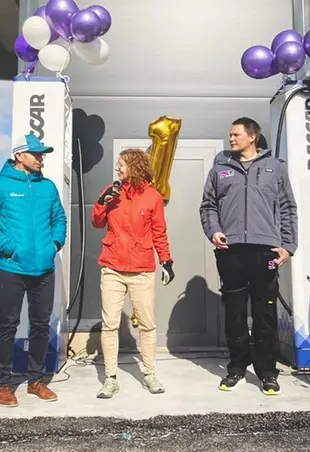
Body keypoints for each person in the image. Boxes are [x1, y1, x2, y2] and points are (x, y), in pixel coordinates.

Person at [199, 117, 298, 396]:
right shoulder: (220, 169)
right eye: (230, 134)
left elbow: (289, 208)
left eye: (236, 134)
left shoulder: (275, 168)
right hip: (231, 251)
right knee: (235, 313)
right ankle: (236, 368)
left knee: (265, 312)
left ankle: (267, 372)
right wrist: (214, 231)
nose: (231, 139)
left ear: (252, 136)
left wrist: (288, 246)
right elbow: (207, 206)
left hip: (265, 249)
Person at [0, 132, 67, 407]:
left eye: (42, 154)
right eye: (36, 154)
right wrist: (10, 247)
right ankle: (4, 385)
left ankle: (36, 381)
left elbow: (59, 219)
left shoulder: (48, 187)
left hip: (43, 269)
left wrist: (55, 243)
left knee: (40, 325)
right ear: (19, 156)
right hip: (11, 268)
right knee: (8, 327)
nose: (41, 158)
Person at [91, 148, 175, 399]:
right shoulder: (112, 192)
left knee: (148, 325)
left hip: (142, 269)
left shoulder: (153, 197)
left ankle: (149, 374)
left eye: (122, 165)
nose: (118, 168)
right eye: (118, 164)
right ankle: (111, 378)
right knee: (110, 325)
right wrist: (102, 202)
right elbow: (97, 222)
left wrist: (166, 261)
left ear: (136, 167)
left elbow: (159, 231)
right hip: (112, 268)